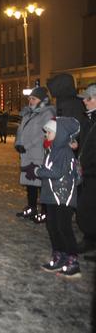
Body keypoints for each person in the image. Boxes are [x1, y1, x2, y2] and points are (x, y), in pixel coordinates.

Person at [22, 117, 82, 278]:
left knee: (63, 227)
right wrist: (39, 169)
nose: (46, 134)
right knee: (53, 226)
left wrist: (37, 172)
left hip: (63, 197)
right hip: (52, 195)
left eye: (49, 132)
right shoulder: (54, 149)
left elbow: (57, 172)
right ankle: (59, 255)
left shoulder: (63, 151)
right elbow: (51, 168)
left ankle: (72, 260)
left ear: (60, 134)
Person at [14, 87, 55, 223]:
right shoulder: (28, 113)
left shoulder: (47, 113)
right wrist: (18, 143)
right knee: (30, 182)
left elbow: (43, 134)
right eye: (30, 98)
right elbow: (21, 131)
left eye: (33, 98)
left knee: (41, 183)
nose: (30, 101)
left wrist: (26, 145)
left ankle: (45, 211)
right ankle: (31, 207)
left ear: (42, 100)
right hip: (26, 154)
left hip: (38, 153)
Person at [76, 84, 96, 253]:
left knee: (89, 207)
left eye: (88, 98)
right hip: (86, 172)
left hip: (92, 172)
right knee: (86, 207)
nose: (84, 101)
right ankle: (89, 239)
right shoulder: (88, 119)